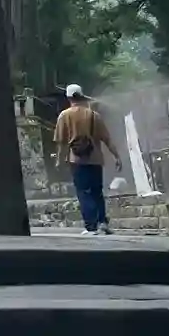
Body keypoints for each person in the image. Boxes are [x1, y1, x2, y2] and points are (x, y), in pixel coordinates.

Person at [54, 83, 122, 235]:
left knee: (84, 192)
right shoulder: (94, 116)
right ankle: (102, 222)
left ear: (69, 98)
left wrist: (59, 160)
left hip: (77, 160)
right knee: (97, 191)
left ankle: (91, 226)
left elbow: (61, 142)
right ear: (82, 96)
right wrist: (116, 156)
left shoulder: (64, 116)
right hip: (95, 159)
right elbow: (107, 139)